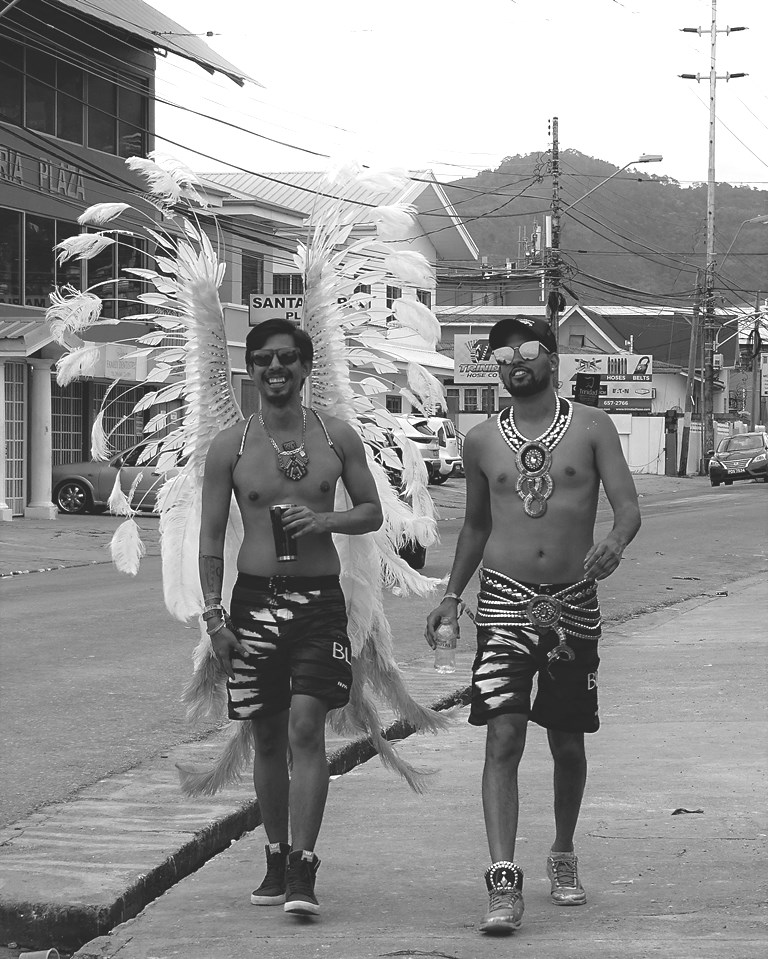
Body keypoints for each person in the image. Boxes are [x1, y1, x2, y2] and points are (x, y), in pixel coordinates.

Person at [425, 316, 641, 935]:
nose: (512, 361)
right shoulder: (481, 439)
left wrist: (615, 544)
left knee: (567, 741)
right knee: (503, 736)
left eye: (525, 351)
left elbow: (626, 506)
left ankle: (564, 851)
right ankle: (502, 878)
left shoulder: (594, 427)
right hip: (502, 604)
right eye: (501, 355)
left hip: (574, 603)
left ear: (552, 358)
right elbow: (474, 526)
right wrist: (450, 594)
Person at [198, 318, 383, 918]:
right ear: (249, 370)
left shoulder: (337, 437)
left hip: (318, 604)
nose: (275, 369)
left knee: (307, 727)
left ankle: (304, 866)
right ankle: (275, 856)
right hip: (252, 603)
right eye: (263, 360)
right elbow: (207, 539)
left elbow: (372, 512)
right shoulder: (229, 445)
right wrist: (213, 618)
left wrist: (324, 521)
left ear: (305, 368)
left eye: (286, 359)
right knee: (268, 736)